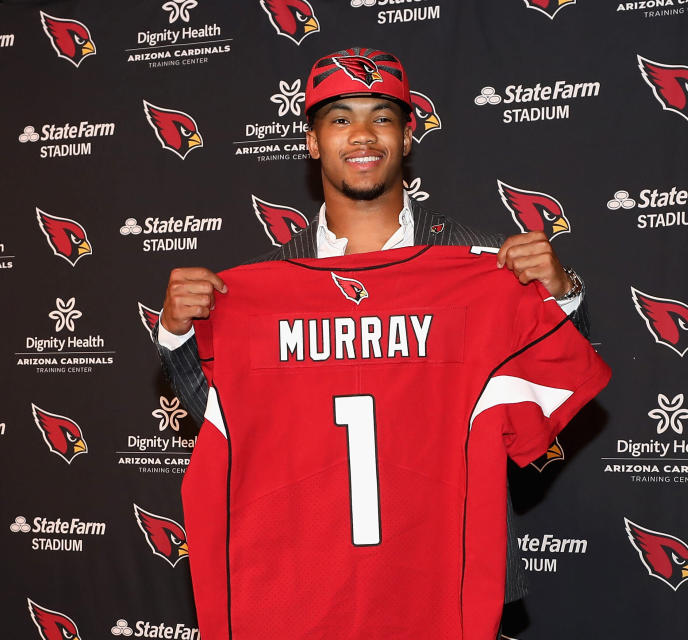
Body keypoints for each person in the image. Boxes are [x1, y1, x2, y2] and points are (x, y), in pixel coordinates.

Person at [154, 45, 587, 612]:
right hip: (315, 584)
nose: (362, 135)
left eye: (381, 117)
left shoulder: (479, 268)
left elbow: (543, 393)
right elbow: (226, 420)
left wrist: (559, 296)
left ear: (407, 138)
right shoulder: (262, 290)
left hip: (449, 582)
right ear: (312, 143)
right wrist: (179, 334)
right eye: (340, 119)